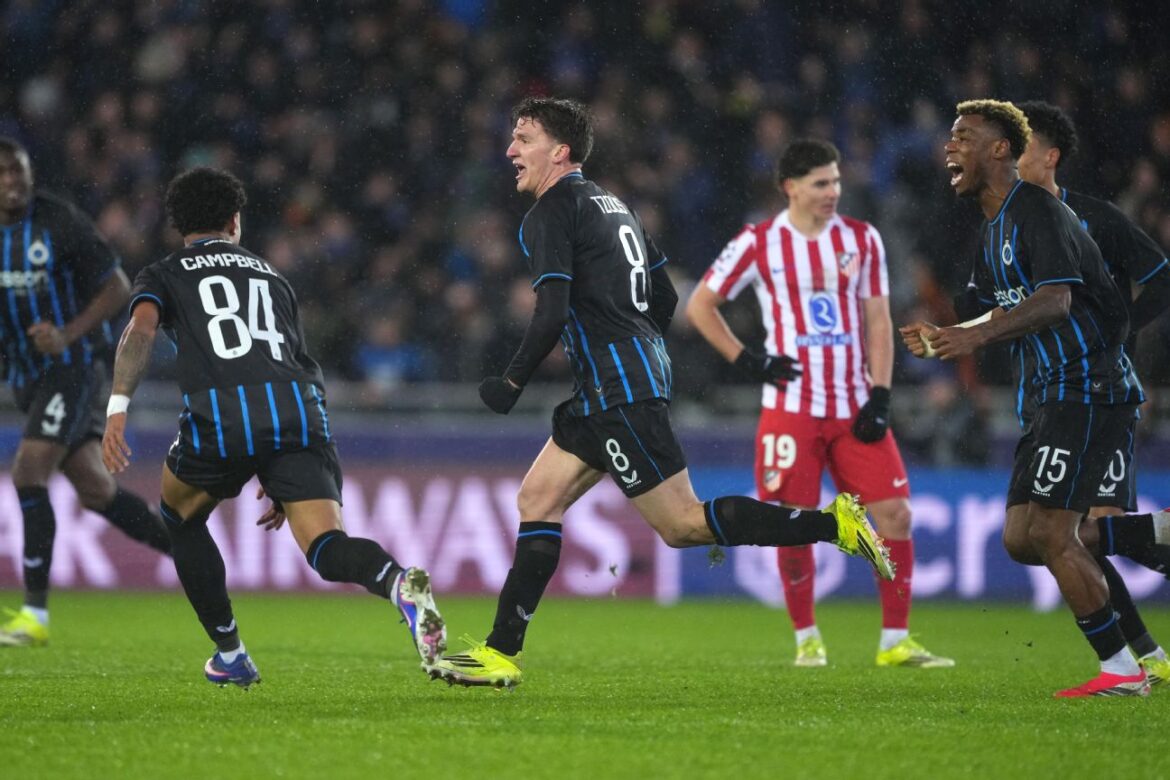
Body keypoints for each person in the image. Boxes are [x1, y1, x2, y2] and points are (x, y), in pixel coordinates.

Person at [427, 97, 894, 690]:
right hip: (617, 381)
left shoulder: (551, 211)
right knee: (536, 499)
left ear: (559, 151)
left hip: (616, 388)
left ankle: (833, 525)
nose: (510, 150)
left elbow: (551, 310)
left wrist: (512, 380)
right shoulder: (615, 206)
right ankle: (501, 652)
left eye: (523, 139)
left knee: (681, 525)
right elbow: (666, 296)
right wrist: (632, 338)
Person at [101, 167, 445, 688]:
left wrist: (117, 407)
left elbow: (140, 330)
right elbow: (290, 357)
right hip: (300, 413)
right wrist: (276, 464)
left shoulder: (164, 273)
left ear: (179, 225)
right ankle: (398, 583)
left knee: (179, 518)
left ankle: (231, 653)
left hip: (224, 417)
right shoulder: (271, 275)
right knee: (326, 546)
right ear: (234, 221)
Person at [900, 99, 1167, 697]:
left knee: (1051, 532)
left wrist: (972, 336)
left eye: (963, 136)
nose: (949, 146)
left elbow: (1055, 300)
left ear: (1001, 149)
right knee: (1021, 537)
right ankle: (1153, 535)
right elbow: (1001, 309)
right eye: (949, 137)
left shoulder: (1040, 211)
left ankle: (1124, 669)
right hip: (1048, 394)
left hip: (1087, 386)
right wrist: (947, 334)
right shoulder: (993, 229)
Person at [687, 138, 953, 669]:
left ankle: (895, 640)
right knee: (793, 522)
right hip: (790, 408)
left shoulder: (861, 238)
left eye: (836, 181)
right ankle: (807, 638)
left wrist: (881, 394)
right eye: (821, 183)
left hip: (854, 405)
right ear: (790, 187)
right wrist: (748, 360)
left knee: (895, 514)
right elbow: (701, 304)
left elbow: (878, 320)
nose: (833, 191)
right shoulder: (758, 242)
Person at [1014, 100, 1170, 685]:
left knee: (1081, 528)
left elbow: (1161, 277)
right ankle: (1154, 541)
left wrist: (1116, 331)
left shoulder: (1095, 219)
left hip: (1099, 393)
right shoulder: (1004, 225)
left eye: (1022, 147)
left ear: (1050, 156)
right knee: (1038, 538)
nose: (1010, 158)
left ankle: (1143, 658)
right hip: (1042, 398)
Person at [0, 137, 171, 647]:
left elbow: (117, 285)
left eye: (18, 171)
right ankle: (188, 552)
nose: (12, 182)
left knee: (29, 471)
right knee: (96, 491)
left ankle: (34, 616)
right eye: (3, 173)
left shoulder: (58, 221)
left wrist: (66, 334)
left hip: (73, 368)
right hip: (26, 377)